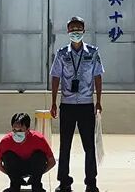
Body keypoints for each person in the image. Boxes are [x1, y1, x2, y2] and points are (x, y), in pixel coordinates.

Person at [49, 16, 105, 192]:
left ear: (83, 30)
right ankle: (64, 182)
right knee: (65, 146)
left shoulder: (93, 52)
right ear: (68, 31)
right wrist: (53, 102)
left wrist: (98, 101)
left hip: (86, 105)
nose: (75, 32)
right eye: (72, 29)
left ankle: (91, 183)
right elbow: (56, 77)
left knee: (89, 146)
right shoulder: (61, 54)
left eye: (78, 28)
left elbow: (97, 77)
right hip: (67, 105)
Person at [0, 112, 56, 192]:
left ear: (28, 129)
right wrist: (13, 176)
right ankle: (14, 185)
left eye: (20, 130)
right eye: (14, 130)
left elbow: (52, 162)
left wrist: (37, 175)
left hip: (33, 167)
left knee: (39, 156)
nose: (17, 133)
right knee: (7, 156)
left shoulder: (38, 139)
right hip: (16, 168)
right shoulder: (6, 141)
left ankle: (36, 185)